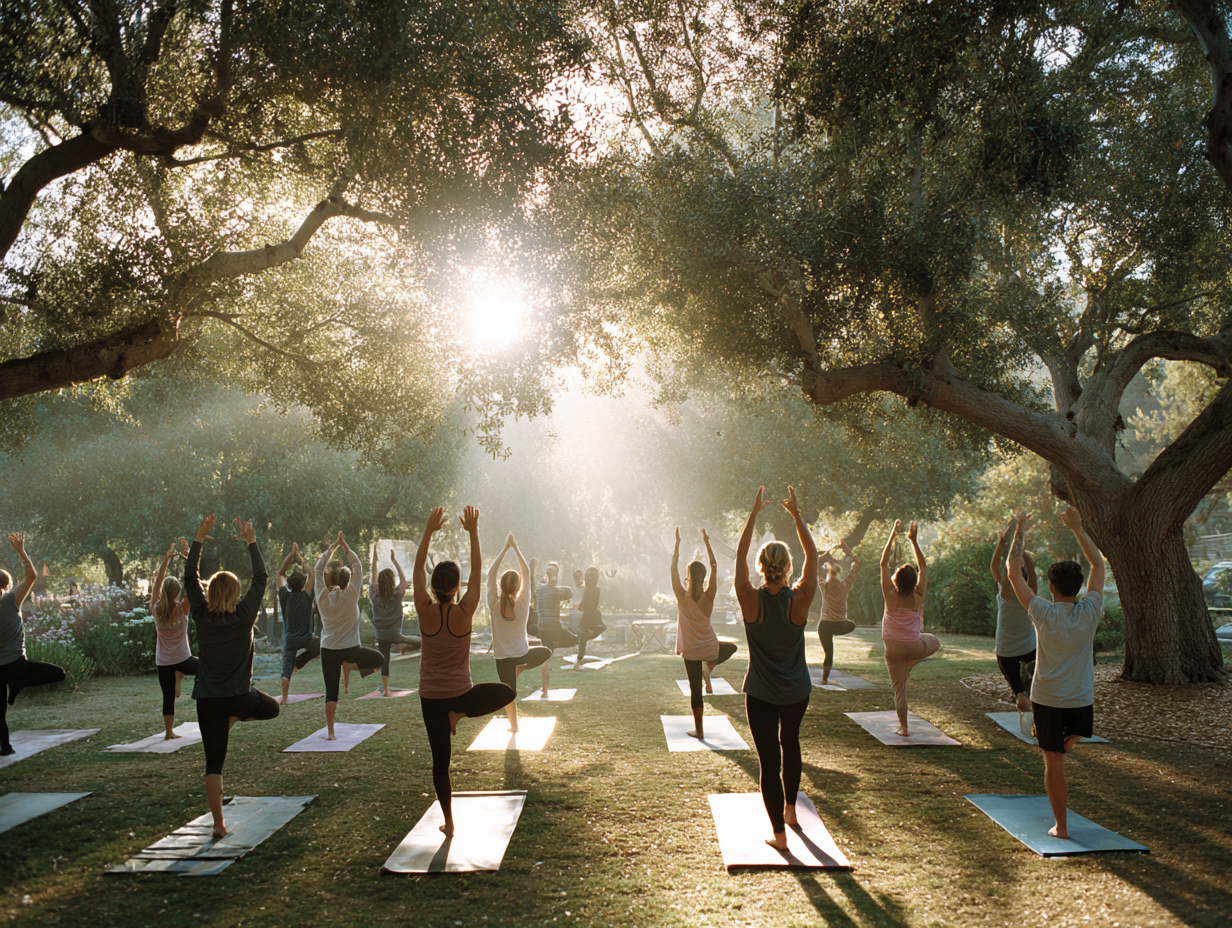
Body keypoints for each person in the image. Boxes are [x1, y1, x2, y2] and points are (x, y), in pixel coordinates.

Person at [414, 506, 516, 837]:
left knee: (440, 763)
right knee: (507, 692)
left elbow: (416, 569)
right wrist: (472, 531)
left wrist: (428, 532)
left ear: (432, 586)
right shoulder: (465, 610)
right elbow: (479, 570)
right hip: (460, 694)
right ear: (457, 586)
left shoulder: (424, 608)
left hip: (430, 697)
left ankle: (450, 822)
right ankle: (458, 714)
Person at [1006, 506, 1104, 841]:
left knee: (1053, 762)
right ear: (1078, 586)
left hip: (1047, 698)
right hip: (1080, 698)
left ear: (1050, 586)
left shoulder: (1043, 611)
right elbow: (1099, 565)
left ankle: (1061, 828)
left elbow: (1013, 572)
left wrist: (1020, 529)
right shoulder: (1089, 610)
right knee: (1069, 742)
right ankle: (1070, 739)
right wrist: (1077, 527)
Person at [184, 515, 279, 838]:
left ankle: (219, 825)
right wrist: (251, 541)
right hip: (238, 697)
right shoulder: (243, 615)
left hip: (207, 700)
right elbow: (262, 577)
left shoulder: (200, 614)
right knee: (273, 708)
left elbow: (189, 576)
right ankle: (232, 719)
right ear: (236, 593)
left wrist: (199, 538)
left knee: (214, 762)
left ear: (209, 592)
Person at [735, 487, 818, 851]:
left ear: (761, 567)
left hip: (762, 694)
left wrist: (753, 515)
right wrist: (798, 517)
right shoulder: (799, 600)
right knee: (792, 744)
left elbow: (738, 555)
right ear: (789, 567)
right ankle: (791, 812)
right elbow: (813, 554)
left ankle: (780, 836)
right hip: (796, 692)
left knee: (769, 762)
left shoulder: (749, 598)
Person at [0, 534, 67, 756]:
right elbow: (31, 576)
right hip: (16, 664)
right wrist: (21, 551)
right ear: (6, 584)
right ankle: (18, 684)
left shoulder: (10, 600)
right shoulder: (10, 600)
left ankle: (6, 748)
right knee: (59, 674)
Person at [314, 532, 383, 738]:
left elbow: (317, 569)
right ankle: (350, 665)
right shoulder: (352, 594)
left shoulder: (321, 596)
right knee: (379, 660)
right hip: (351, 649)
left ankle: (331, 733)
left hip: (328, 649)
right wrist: (345, 547)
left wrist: (332, 548)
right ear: (347, 580)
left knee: (331, 692)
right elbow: (358, 567)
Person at [672, 527, 737, 738]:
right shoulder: (709, 596)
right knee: (731, 647)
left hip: (691, 650)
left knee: (695, 690)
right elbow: (715, 565)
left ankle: (699, 731)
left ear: (688, 576)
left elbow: (672, 570)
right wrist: (707, 543)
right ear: (704, 577)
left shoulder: (682, 598)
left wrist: (677, 545)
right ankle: (709, 667)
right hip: (710, 647)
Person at [879, 519, 939, 737]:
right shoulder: (918, 597)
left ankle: (904, 729)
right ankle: (910, 663)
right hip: (914, 647)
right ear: (914, 581)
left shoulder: (890, 595)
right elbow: (923, 566)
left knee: (899, 691)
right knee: (935, 641)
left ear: (897, 579)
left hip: (893, 650)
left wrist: (892, 535)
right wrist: (914, 541)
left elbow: (883, 563)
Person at [488, 532, 551, 732]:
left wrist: (504, 549)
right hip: (521, 655)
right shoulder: (523, 602)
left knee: (509, 692)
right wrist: (515, 548)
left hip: (502, 658)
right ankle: (520, 669)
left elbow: (491, 573)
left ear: (500, 585)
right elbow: (526, 573)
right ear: (518, 588)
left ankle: (514, 726)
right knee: (545, 651)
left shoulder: (493, 603)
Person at [990, 517, 1038, 715]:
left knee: (1016, 687)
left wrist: (1004, 540)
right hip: (1029, 646)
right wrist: (1024, 553)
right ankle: (1031, 695)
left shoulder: (1004, 591)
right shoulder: (1031, 592)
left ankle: (1020, 695)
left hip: (1006, 649)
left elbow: (995, 564)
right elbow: (1032, 569)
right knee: (1034, 681)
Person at [152, 541, 196, 740]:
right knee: (209, 669)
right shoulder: (182, 609)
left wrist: (165, 561)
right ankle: (181, 675)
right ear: (177, 592)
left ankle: (169, 732)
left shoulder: (156, 609)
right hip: (183, 659)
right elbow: (192, 583)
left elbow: (157, 583)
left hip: (164, 662)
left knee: (168, 697)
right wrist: (189, 558)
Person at [368, 547, 422, 696]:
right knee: (423, 641)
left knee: (385, 658)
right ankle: (427, 643)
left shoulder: (374, 595)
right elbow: (404, 579)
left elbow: (372, 576)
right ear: (392, 581)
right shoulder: (397, 594)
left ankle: (385, 689)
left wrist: (374, 559)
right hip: (395, 635)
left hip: (381, 635)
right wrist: (394, 561)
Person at [276, 543, 319, 704]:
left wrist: (290, 556)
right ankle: (300, 661)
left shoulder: (284, 595)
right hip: (306, 638)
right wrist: (300, 556)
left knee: (286, 669)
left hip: (289, 639)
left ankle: (285, 697)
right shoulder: (306, 595)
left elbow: (280, 574)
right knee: (323, 643)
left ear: (290, 584)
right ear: (302, 584)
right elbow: (311, 573)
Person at [817, 541, 861, 684]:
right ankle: (834, 630)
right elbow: (857, 564)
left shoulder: (824, 585)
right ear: (840, 573)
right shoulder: (845, 585)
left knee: (828, 654)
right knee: (852, 625)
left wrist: (831, 550)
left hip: (825, 626)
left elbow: (818, 561)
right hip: (840, 625)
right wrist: (849, 552)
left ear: (827, 572)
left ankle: (824, 679)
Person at [534, 563, 576, 687]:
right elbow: (570, 592)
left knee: (546, 658)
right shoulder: (557, 590)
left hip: (542, 626)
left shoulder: (540, 589)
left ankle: (545, 689)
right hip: (554, 625)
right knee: (575, 640)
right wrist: (555, 584)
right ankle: (556, 643)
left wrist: (550, 583)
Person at [571, 567, 607, 668]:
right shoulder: (596, 589)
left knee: (582, 638)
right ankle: (579, 659)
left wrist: (578, 607)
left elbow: (587, 606)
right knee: (583, 637)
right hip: (593, 617)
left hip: (589, 618)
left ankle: (578, 660)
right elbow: (588, 603)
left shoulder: (590, 589)